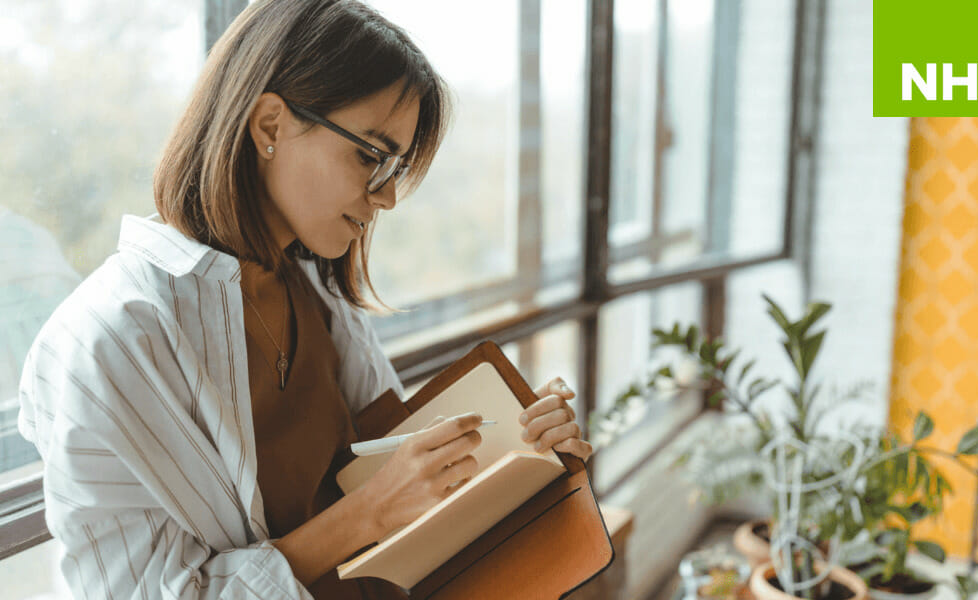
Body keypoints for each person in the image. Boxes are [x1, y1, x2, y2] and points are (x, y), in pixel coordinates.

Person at [15, 1, 592, 598]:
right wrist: (366, 515)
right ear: (270, 126)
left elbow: (403, 496)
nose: (388, 196)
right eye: (371, 156)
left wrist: (519, 453)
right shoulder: (108, 340)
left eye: (395, 166)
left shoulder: (317, 295)